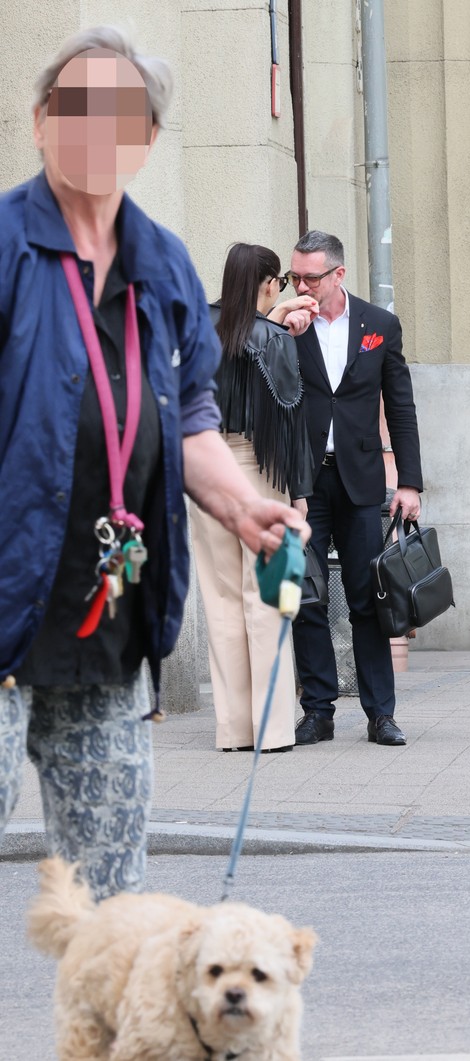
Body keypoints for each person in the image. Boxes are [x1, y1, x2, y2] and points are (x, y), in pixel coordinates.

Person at [0, 27, 308, 900]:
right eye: (76, 107)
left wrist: (243, 507)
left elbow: (193, 416)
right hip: (3, 595)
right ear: (40, 122)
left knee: (111, 892)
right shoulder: (4, 250)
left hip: (106, 614)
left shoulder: (165, 266)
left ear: (145, 139)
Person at [288, 230, 423, 747]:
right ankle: (318, 711)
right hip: (303, 483)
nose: (301, 285)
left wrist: (408, 481)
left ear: (338, 275)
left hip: (362, 481)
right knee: (307, 596)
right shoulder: (286, 327)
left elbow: (402, 408)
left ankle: (380, 714)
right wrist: (280, 326)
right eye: (295, 276)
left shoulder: (379, 326)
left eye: (311, 277)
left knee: (369, 597)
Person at [190, 243, 318, 753]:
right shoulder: (273, 340)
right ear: (268, 282)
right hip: (260, 471)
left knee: (220, 600)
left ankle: (234, 729)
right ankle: (273, 729)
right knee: (267, 597)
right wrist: (300, 494)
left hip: (207, 475)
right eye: (280, 283)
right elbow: (292, 421)